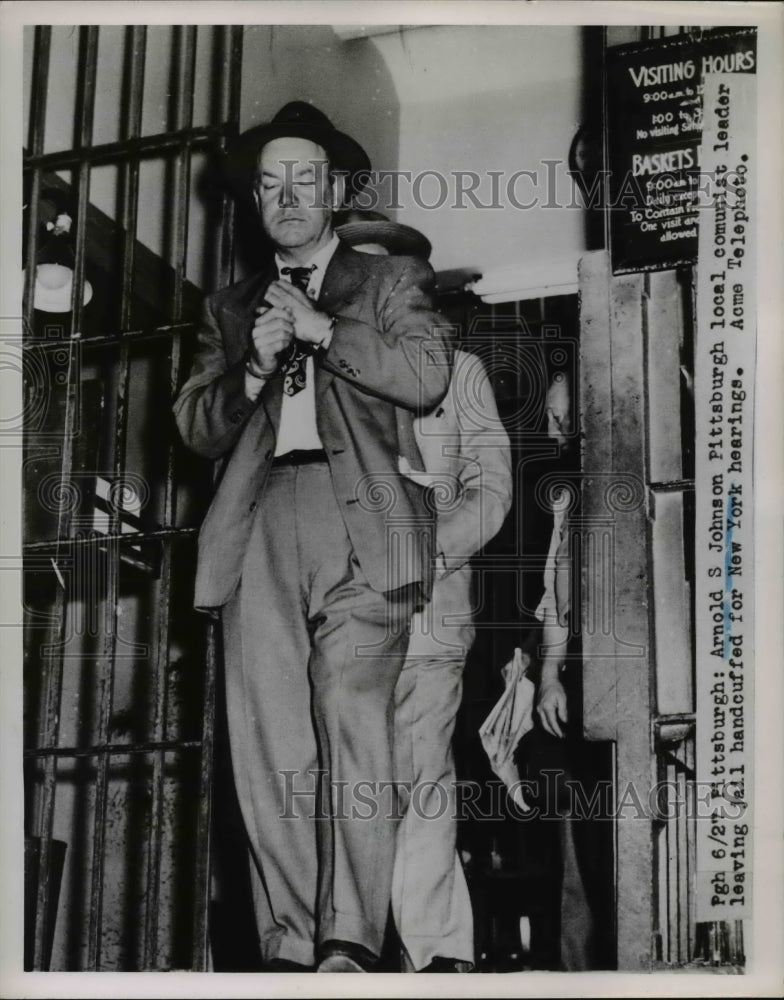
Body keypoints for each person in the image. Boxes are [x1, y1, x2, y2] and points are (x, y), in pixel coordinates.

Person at [173, 103, 454, 973]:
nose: (287, 196)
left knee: (351, 721)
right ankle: (292, 947)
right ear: (256, 201)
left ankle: (349, 941)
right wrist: (254, 368)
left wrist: (322, 331)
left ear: (334, 191)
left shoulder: (387, 281)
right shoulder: (227, 306)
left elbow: (427, 375)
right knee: (271, 747)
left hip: (363, 523)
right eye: (270, 183)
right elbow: (192, 426)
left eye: (305, 180)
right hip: (257, 526)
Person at [336, 211, 513, 972]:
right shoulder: (324, 370)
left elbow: (493, 489)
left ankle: (440, 954)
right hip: (345, 610)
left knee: (421, 772)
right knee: (345, 777)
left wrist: (424, 545)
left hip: (430, 609)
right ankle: (350, 945)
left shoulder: (461, 374)